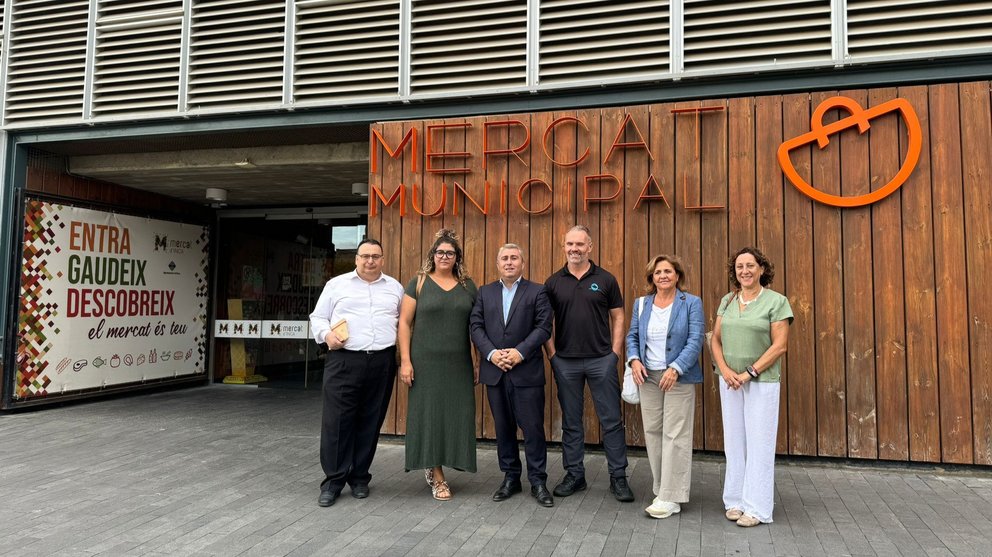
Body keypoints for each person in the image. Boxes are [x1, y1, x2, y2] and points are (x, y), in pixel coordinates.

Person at [309, 238, 404, 507]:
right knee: (337, 422)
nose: (370, 261)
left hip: (382, 361)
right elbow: (317, 317)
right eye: (365, 256)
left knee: (370, 421)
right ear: (356, 258)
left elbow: (403, 323)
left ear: (383, 259)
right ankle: (334, 481)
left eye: (375, 256)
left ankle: (360, 477)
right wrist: (326, 335)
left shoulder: (394, 288)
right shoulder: (336, 285)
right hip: (344, 361)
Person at [544, 225, 633, 502]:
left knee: (611, 421)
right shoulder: (554, 282)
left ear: (590, 247)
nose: (574, 249)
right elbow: (544, 323)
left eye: (579, 244)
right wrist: (552, 355)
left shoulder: (605, 279)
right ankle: (575, 475)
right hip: (566, 362)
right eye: (569, 244)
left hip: (601, 361)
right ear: (564, 247)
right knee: (571, 422)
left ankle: (618, 477)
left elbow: (618, 317)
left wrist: (614, 354)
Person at [711, 246, 793, 527]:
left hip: (761, 382)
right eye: (739, 267)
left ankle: (757, 508)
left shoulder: (776, 301)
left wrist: (748, 373)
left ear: (761, 269)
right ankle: (735, 500)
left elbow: (780, 346)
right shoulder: (728, 300)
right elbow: (716, 339)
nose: (744, 271)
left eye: (750, 265)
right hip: (729, 381)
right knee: (734, 441)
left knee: (759, 443)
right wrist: (724, 371)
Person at [470, 243, 554, 507]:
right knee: (503, 428)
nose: (509, 262)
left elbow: (543, 327)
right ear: (497, 264)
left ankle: (538, 481)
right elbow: (475, 326)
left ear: (522, 263)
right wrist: (492, 354)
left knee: (532, 429)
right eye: (504, 258)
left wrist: (519, 352)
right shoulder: (484, 293)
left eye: (514, 258)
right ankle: (511, 477)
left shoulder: (538, 291)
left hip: (526, 371)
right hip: (495, 372)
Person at [398, 228, 479, 501]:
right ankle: (436, 474)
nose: (445, 256)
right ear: (432, 255)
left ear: (458, 257)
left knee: (457, 414)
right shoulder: (418, 282)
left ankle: (447, 462)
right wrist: (406, 361)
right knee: (429, 415)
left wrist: (477, 360)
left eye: (450, 253)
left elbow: (475, 327)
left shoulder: (468, 285)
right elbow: (404, 324)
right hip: (425, 363)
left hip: (458, 364)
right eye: (440, 252)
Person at [625, 255, 704, 519]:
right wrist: (634, 360)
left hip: (678, 376)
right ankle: (663, 489)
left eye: (668, 271)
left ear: (677, 275)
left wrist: (677, 368)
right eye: (658, 272)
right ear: (652, 278)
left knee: (676, 435)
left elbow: (695, 339)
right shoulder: (641, 304)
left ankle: (671, 496)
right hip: (647, 376)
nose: (663, 276)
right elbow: (633, 335)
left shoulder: (691, 302)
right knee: (654, 432)